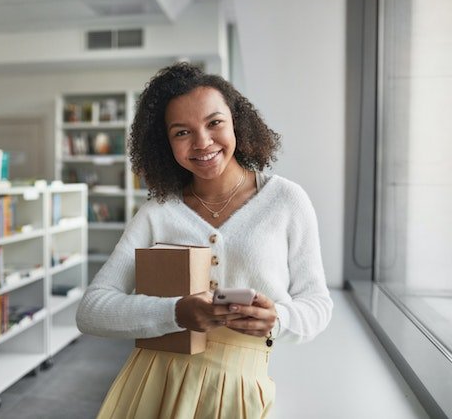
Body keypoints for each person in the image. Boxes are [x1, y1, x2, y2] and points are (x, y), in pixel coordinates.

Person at [76, 62, 333, 419]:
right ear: (165, 144)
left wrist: (278, 320)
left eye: (214, 123)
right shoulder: (157, 213)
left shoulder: (286, 200)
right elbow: (91, 311)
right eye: (182, 132)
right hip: (152, 383)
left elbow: (317, 304)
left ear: (236, 123)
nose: (202, 142)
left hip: (239, 391)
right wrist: (176, 312)